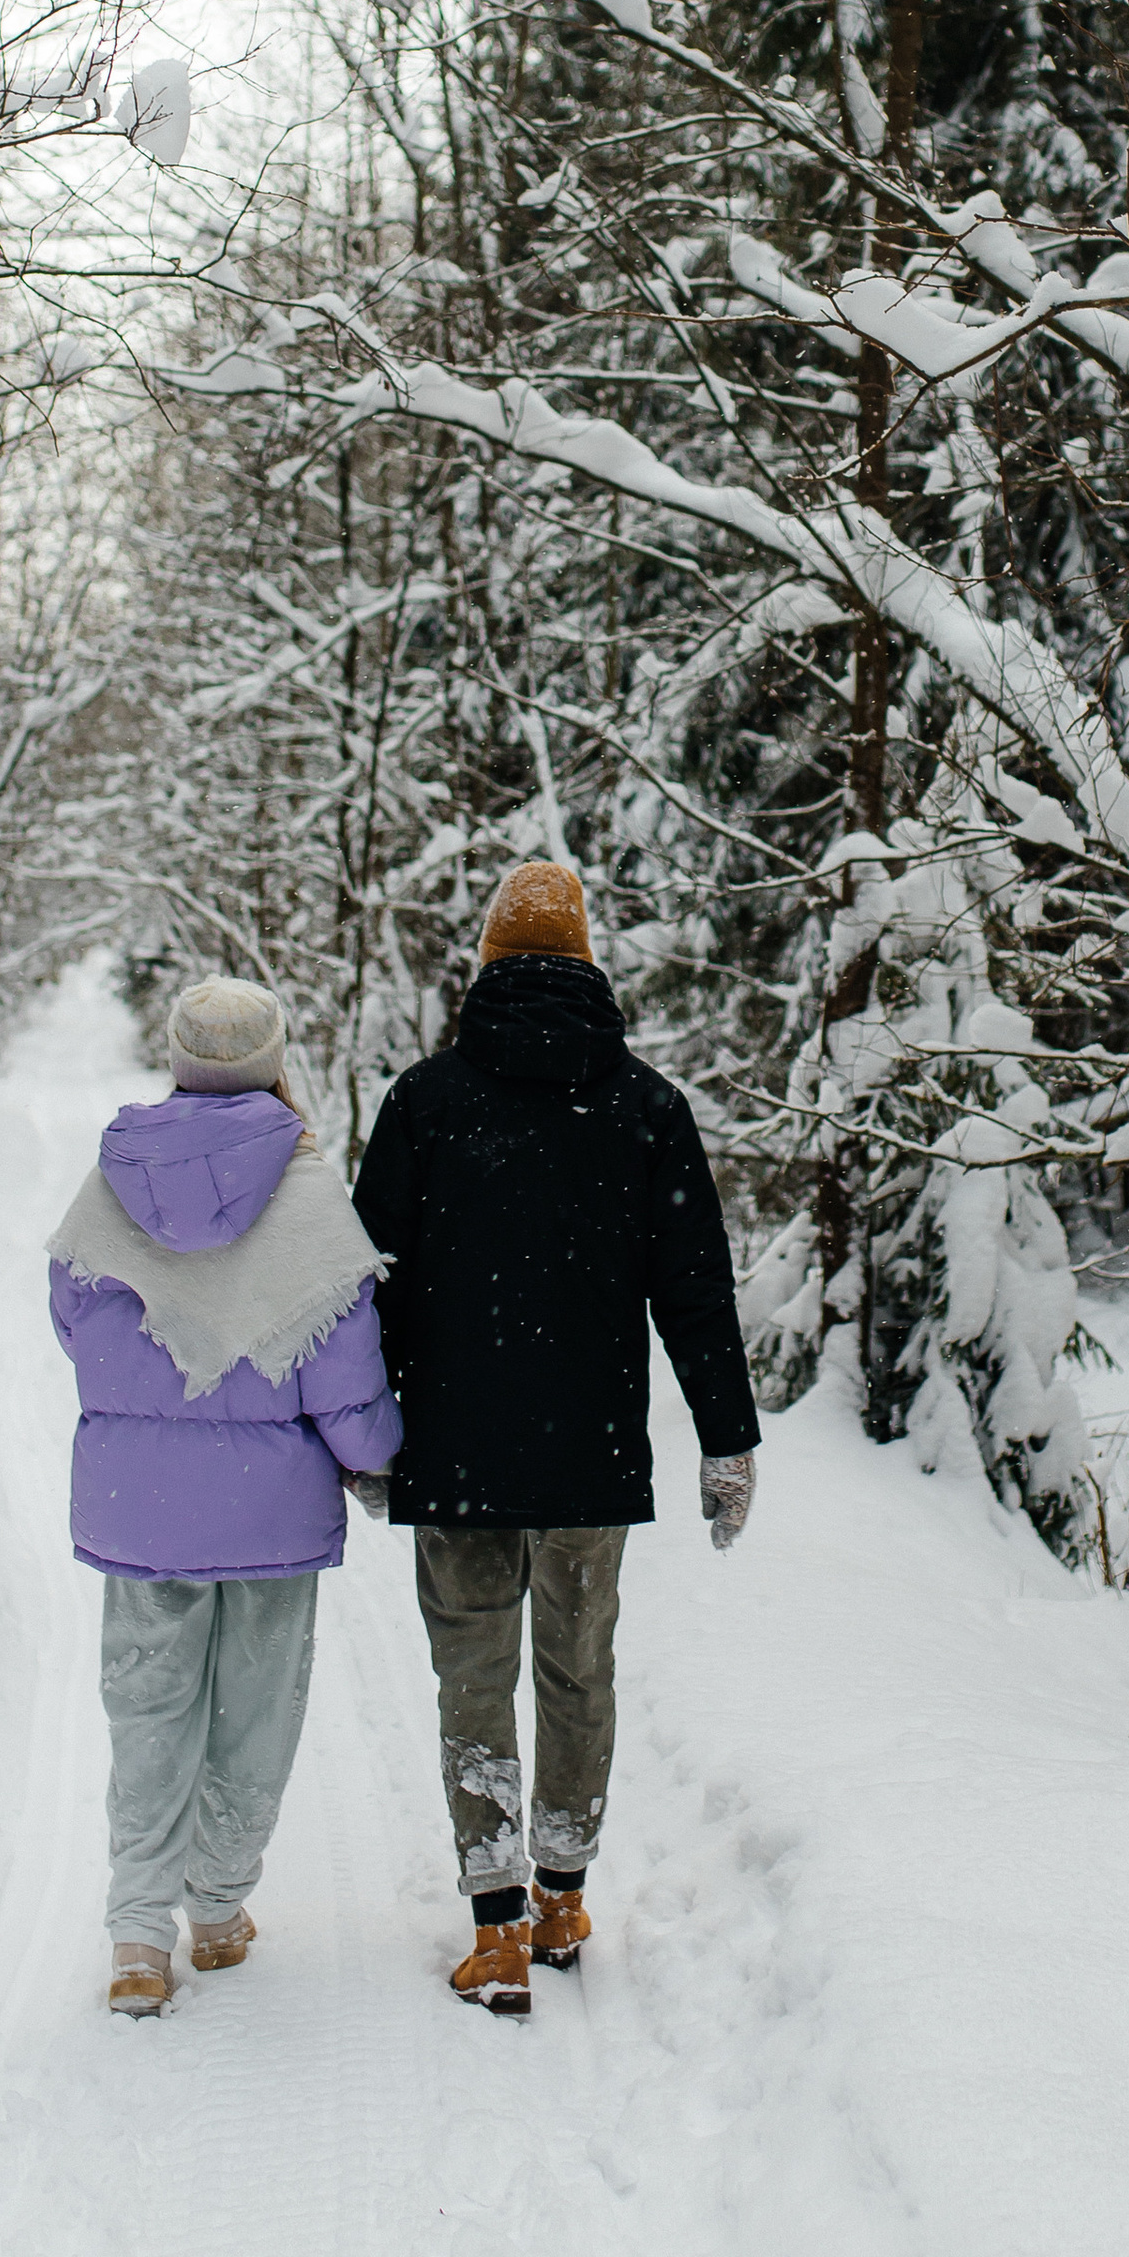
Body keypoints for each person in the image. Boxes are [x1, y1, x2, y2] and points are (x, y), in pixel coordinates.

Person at [354, 859, 759, 2017]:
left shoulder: (423, 1103)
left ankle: (495, 1929)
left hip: (459, 1448)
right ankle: (565, 1898)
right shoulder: (644, 1109)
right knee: (578, 1668)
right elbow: (695, 1290)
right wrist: (725, 1439)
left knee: (472, 1676)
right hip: (587, 1453)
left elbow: (371, 1284)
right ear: (587, 964)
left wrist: (370, 1436)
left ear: (485, 966)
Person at [48, 975, 402, 2017]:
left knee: (147, 1711)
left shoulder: (109, 1183)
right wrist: (377, 1458)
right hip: (269, 1513)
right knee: (253, 1713)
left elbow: (74, 1322)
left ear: (178, 1058)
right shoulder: (307, 1195)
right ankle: (217, 1909)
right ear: (272, 1062)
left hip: (137, 1502)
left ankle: (134, 1936)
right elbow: (343, 1370)